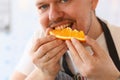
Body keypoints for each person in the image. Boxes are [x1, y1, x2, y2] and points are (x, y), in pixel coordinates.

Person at [10, 0, 120, 80]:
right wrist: (43, 73)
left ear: (93, 2)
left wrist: (111, 78)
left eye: (64, 0)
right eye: (43, 6)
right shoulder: (41, 39)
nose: (53, 16)